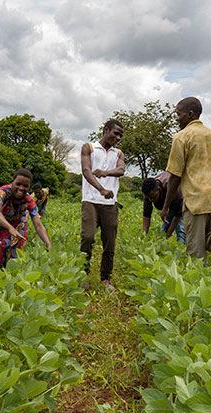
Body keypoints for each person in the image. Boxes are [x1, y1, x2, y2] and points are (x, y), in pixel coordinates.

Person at [162, 97, 211, 260]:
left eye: (179, 114)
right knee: (206, 242)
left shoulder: (182, 137)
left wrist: (166, 207)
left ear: (190, 114)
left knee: (195, 252)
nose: (177, 118)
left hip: (196, 200)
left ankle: (199, 279)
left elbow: (174, 176)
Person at [80, 119, 126, 290]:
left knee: (109, 241)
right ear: (106, 130)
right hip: (90, 201)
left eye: (121, 135)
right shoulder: (89, 148)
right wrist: (101, 189)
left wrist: (106, 173)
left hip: (110, 204)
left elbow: (121, 170)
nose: (118, 137)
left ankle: (105, 279)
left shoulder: (118, 153)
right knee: (88, 237)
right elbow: (86, 171)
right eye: (116, 133)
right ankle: (83, 275)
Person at [0, 169, 51, 267]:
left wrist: (48, 243)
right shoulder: (2, 192)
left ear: (29, 187)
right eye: (18, 184)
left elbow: (38, 225)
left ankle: (12, 271)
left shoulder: (29, 200)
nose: (21, 188)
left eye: (25, 186)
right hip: (1, 220)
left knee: (16, 251)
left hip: (19, 223)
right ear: (12, 182)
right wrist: (9, 228)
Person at [141, 172, 185, 244]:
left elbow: (177, 216)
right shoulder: (148, 193)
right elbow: (146, 215)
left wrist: (168, 235)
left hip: (181, 201)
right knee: (163, 232)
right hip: (169, 206)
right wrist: (144, 236)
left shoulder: (173, 189)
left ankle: (182, 250)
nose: (151, 200)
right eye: (149, 198)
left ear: (158, 189)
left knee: (181, 231)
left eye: (153, 197)